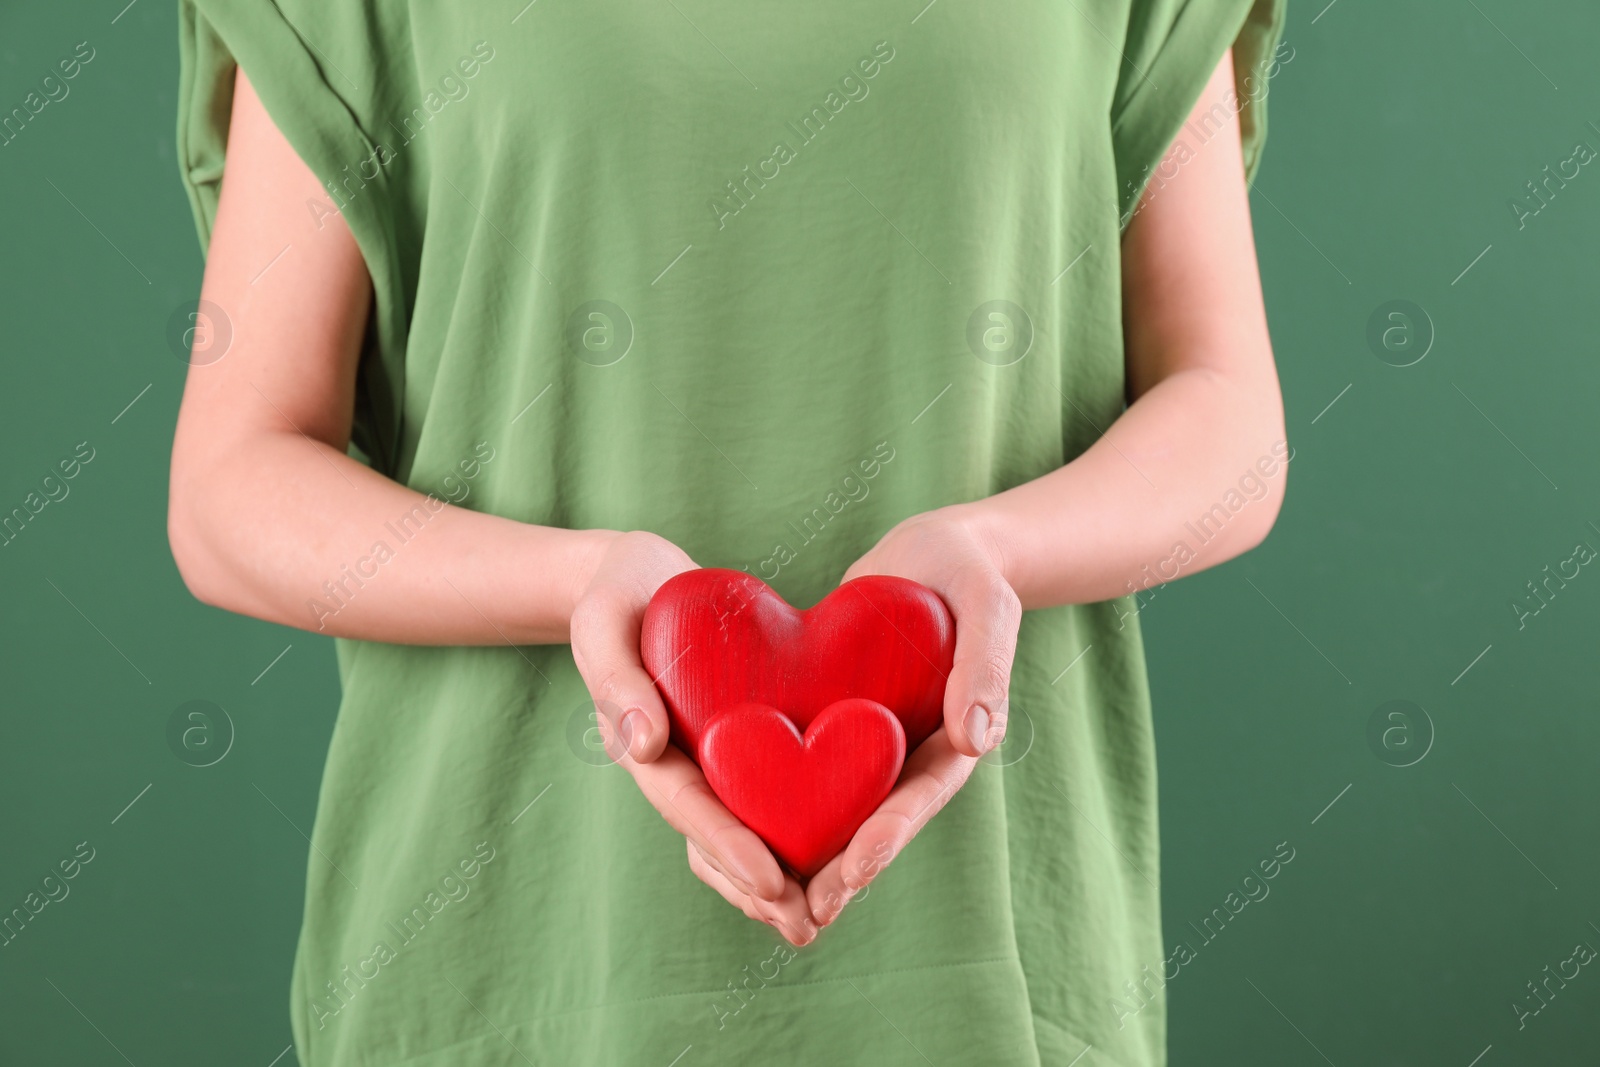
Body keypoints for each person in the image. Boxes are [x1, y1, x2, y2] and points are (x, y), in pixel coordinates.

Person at [169, 0, 1287, 1063]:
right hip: (509, 955)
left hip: (984, 969)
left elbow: (1227, 419)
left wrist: (995, 551)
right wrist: (581, 584)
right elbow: (232, 486)